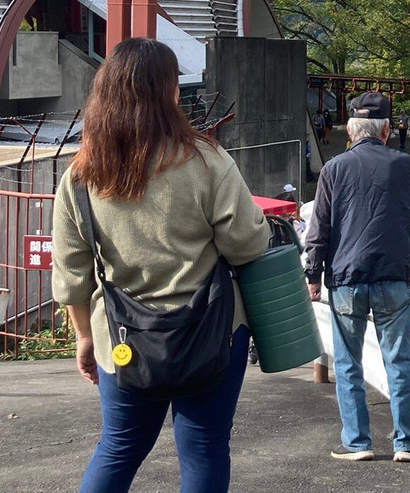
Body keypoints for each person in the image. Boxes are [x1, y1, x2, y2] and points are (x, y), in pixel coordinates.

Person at [52, 38, 270, 493]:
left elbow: (72, 275)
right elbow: (248, 244)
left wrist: (85, 337)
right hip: (211, 332)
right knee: (205, 448)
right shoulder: (205, 160)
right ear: (169, 92)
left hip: (122, 340)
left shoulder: (80, 175)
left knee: (118, 448)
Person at [303, 91, 410, 463]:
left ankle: (358, 443)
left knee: (347, 363)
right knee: (399, 361)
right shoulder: (403, 164)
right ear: (386, 129)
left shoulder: (333, 169)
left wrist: (313, 275)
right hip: (393, 277)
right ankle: (407, 443)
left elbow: (319, 229)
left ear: (351, 130)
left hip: (346, 278)